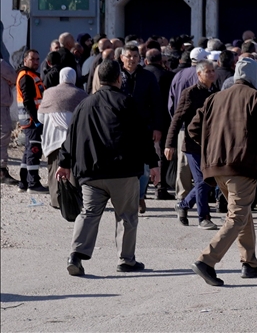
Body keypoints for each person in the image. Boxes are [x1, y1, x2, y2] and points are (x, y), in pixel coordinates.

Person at [57, 60, 159, 276]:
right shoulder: (127, 102)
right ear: (119, 78)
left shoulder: (83, 105)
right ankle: (126, 260)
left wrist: (64, 163)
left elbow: (70, 137)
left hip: (90, 173)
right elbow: (143, 135)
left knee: (89, 213)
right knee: (127, 216)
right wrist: (153, 163)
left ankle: (75, 255)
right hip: (123, 171)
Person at [186, 59, 257, 287]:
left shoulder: (214, 97)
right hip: (243, 167)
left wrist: (211, 148)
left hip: (216, 166)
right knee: (237, 215)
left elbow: (192, 129)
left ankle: (250, 263)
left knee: (242, 212)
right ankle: (206, 260)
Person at [165, 61, 219, 229]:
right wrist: (170, 144)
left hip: (211, 145)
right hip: (193, 145)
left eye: (212, 71)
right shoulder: (190, 93)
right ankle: (203, 217)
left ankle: (183, 205)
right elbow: (177, 119)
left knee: (210, 180)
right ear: (199, 74)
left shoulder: (217, 93)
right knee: (202, 180)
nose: (211, 74)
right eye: (207, 71)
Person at [119, 44, 163, 214]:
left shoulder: (148, 77)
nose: (132, 60)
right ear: (122, 58)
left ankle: (140, 196)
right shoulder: (117, 75)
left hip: (144, 127)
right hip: (121, 128)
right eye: (128, 56)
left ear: (140, 58)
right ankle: (125, 197)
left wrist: (157, 127)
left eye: (135, 56)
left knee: (145, 166)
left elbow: (157, 103)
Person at [38, 68, 87, 208]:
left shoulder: (49, 93)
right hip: (73, 139)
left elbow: (40, 118)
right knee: (73, 171)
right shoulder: (81, 94)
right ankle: (73, 201)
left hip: (53, 138)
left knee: (54, 170)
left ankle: (55, 201)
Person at [143, 49, 175, 200]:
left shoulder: (140, 74)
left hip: (143, 118)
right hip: (162, 119)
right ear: (161, 61)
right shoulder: (168, 75)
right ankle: (160, 187)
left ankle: (145, 184)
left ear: (146, 60)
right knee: (160, 152)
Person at [16, 50, 48, 193]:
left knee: (28, 150)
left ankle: (24, 182)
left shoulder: (33, 75)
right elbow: (28, 100)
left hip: (31, 119)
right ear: (25, 60)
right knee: (34, 151)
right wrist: (36, 119)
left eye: (37, 59)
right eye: (32, 59)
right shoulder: (26, 77)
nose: (36, 62)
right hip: (32, 120)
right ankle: (33, 183)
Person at [0, 58, 17, 185]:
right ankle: (1, 171)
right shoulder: (1, 63)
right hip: (1, 105)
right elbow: (14, 77)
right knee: (3, 135)